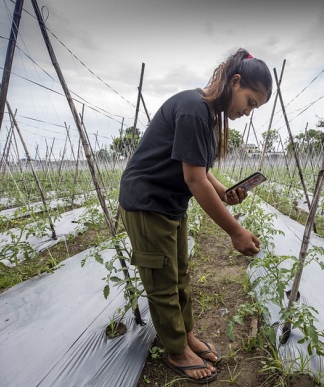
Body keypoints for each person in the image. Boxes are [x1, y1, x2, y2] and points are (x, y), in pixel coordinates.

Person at [119, 48, 272, 384]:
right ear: (235, 82)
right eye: (250, 102)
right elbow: (193, 179)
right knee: (162, 283)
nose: (248, 112)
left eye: (254, 108)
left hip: (171, 203)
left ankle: (185, 336)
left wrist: (225, 193)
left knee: (179, 275)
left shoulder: (208, 117)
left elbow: (204, 173)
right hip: (148, 202)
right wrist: (235, 231)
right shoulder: (193, 109)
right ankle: (175, 350)